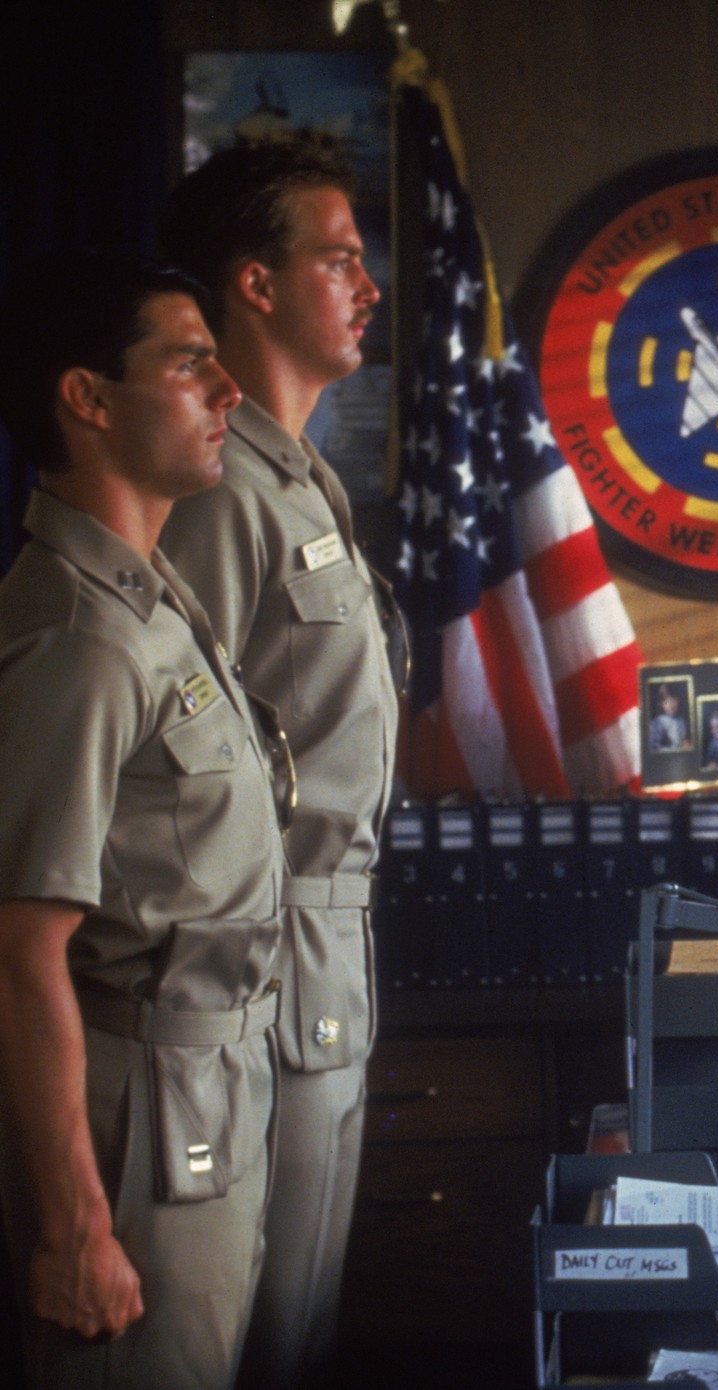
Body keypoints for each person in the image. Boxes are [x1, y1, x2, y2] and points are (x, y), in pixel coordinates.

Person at [0, 252, 288, 1388]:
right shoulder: (80, 637)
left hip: (212, 1084)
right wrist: (76, 1227)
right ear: (88, 398)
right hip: (136, 1113)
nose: (228, 393)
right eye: (188, 364)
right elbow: (22, 951)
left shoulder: (152, 590)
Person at [156, 138, 398, 1389]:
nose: (367, 287)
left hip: (331, 947)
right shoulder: (215, 490)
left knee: (303, 1330)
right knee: (260, 1341)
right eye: (340, 260)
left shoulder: (299, 481)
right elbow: (181, 776)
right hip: (258, 958)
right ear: (254, 283)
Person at [649, 687, 688, 752]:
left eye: (674, 699)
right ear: (661, 704)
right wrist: (676, 748)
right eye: (666, 701)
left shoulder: (681, 720)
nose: (671, 704)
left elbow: (682, 741)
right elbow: (654, 747)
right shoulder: (658, 721)